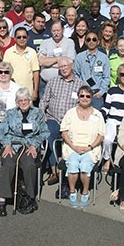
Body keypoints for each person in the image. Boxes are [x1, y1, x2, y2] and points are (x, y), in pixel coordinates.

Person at [0, 88, 50, 216]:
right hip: (12, 145)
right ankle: (2, 199)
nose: (23, 103)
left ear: (30, 100)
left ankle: (30, 196)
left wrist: (34, 145)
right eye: (20, 101)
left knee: (29, 164)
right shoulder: (10, 113)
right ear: (17, 102)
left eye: (26, 100)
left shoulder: (38, 113)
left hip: (29, 145)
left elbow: (45, 132)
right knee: (8, 164)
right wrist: (7, 144)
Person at [39, 57, 86, 186]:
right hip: (53, 118)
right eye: (61, 67)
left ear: (72, 65)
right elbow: (44, 101)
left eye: (66, 66)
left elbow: (83, 105)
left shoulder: (80, 84)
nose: (63, 69)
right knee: (48, 134)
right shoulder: (53, 82)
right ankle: (54, 171)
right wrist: (42, 113)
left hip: (70, 122)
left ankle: (69, 170)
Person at [60, 85, 105, 209]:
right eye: (82, 96)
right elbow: (64, 132)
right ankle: (73, 192)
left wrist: (90, 147)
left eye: (88, 96)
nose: (85, 98)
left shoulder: (97, 114)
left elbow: (101, 136)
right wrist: (73, 146)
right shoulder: (70, 112)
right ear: (78, 97)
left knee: (85, 166)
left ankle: (85, 192)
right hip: (72, 147)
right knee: (73, 165)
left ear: (91, 98)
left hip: (91, 148)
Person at [101, 64, 124, 172]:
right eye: (122, 74)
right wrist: (99, 115)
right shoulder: (112, 90)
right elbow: (106, 107)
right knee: (108, 140)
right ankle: (107, 160)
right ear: (118, 75)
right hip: (113, 120)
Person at [2, 28, 39, 99]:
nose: (21, 39)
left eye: (24, 37)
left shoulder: (32, 52)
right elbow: (5, 71)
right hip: (12, 91)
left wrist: (35, 91)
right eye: (19, 37)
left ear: (28, 38)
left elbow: (35, 72)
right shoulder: (8, 52)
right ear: (15, 39)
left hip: (28, 92)